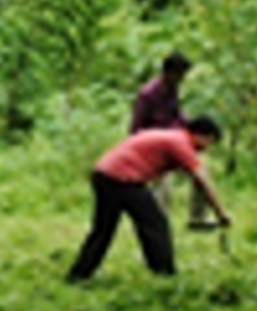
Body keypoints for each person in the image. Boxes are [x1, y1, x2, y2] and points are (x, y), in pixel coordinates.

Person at [68, 116, 235, 282]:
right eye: (209, 142)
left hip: (103, 174)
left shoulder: (172, 137)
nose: (207, 148)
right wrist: (221, 213)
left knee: (103, 229)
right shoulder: (181, 143)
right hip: (123, 179)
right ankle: (165, 273)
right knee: (155, 224)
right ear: (201, 135)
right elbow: (202, 181)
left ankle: (79, 274)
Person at [131, 51, 217, 231]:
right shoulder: (147, 94)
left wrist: (192, 130)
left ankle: (198, 218)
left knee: (202, 173)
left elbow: (178, 116)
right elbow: (136, 129)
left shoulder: (172, 90)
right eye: (180, 75)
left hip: (176, 145)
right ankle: (159, 225)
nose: (182, 79)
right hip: (155, 150)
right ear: (168, 72)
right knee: (164, 188)